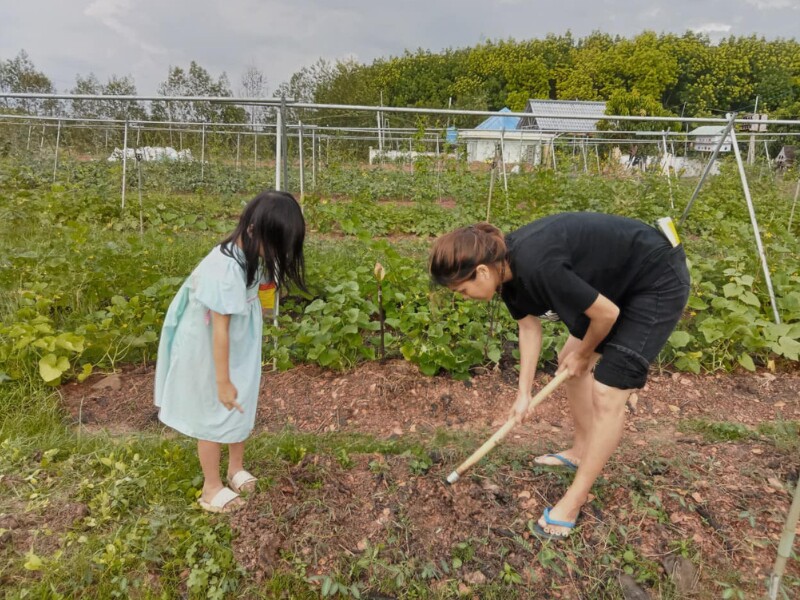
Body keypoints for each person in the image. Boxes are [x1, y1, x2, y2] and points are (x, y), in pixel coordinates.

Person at [429, 212, 690, 539]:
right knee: (567, 360)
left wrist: (584, 355)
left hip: (655, 278)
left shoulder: (538, 266)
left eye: (463, 291)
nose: (464, 299)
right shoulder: (505, 270)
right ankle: (581, 449)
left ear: (481, 272)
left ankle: (575, 498)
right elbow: (528, 327)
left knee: (608, 390)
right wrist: (523, 393)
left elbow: (606, 314)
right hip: (617, 283)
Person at [155, 191, 306, 513]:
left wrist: (266, 305)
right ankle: (211, 488)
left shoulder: (253, 257)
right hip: (210, 348)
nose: (278, 253)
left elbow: (263, 292)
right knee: (212, 410)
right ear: (253, 230)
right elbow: (219, 329)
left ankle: (235, 468)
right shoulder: (222, 268)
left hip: (238, 345)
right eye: (276, 244)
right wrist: (222, 380)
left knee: (241, 402)